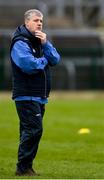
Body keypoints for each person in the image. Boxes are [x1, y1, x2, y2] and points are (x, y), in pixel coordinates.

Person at [10, 9, 60, 176]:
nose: (40, 23)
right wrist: (45, 59)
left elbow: (56, 59)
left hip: (39, 96)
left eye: (41, 21)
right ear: (27, 22)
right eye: (36, 20)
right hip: (26, 95)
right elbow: (29, 65)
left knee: (29, 131)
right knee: (33, 131)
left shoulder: (40, 40)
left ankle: (24, 167)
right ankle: (23, 168)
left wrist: (46, 45)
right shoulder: (20, 42)